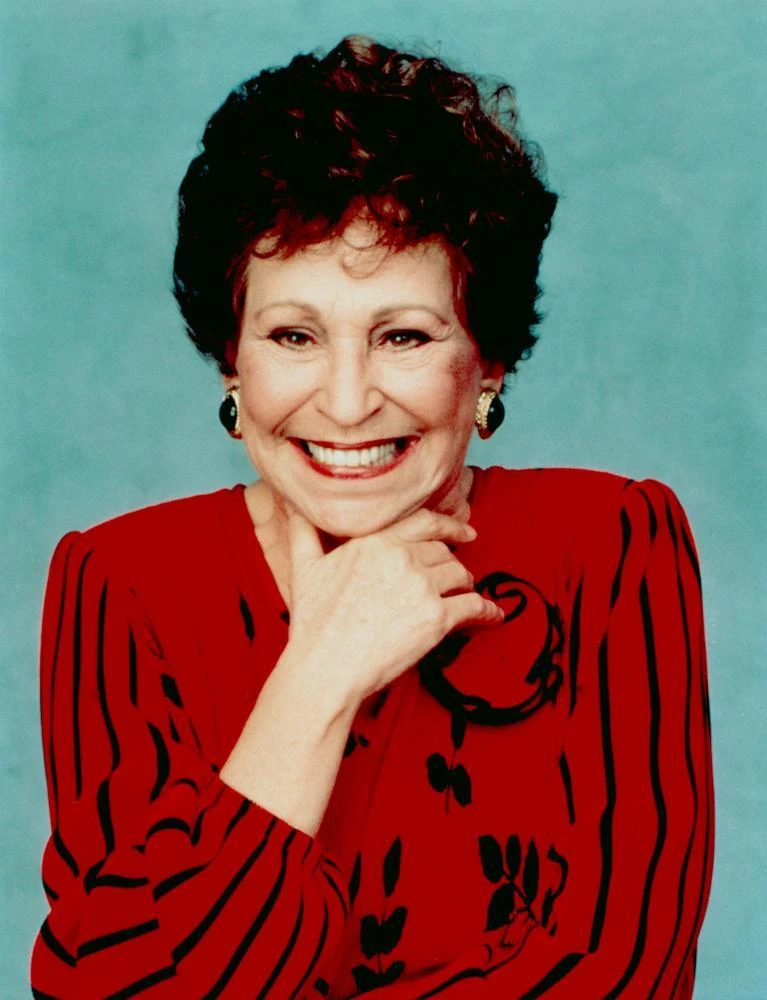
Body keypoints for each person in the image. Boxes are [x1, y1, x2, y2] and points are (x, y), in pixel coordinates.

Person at [30, 34, 714, 1000]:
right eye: (293, 336)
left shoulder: (608, 544)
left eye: (401, 336)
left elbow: (620, 975)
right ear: (232, 361)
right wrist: (319, 671)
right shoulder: (120, 582)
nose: (347, 403)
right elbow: (103, 985)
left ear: (486, 360)